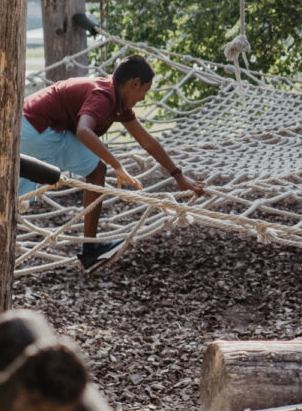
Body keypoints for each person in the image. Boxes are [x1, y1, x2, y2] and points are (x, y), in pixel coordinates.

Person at [19, 54, 205, 271]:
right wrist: (118, 165)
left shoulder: (114, 98)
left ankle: (88, 248)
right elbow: (84, 131)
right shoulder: (104, 96)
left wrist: (177, 175)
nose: (143, 97)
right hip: (37, 130)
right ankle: (90, 251)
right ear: (134, 83)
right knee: (98, 170)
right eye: (145, 90)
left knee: (93, 170)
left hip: (25, 127)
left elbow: (147, 142)